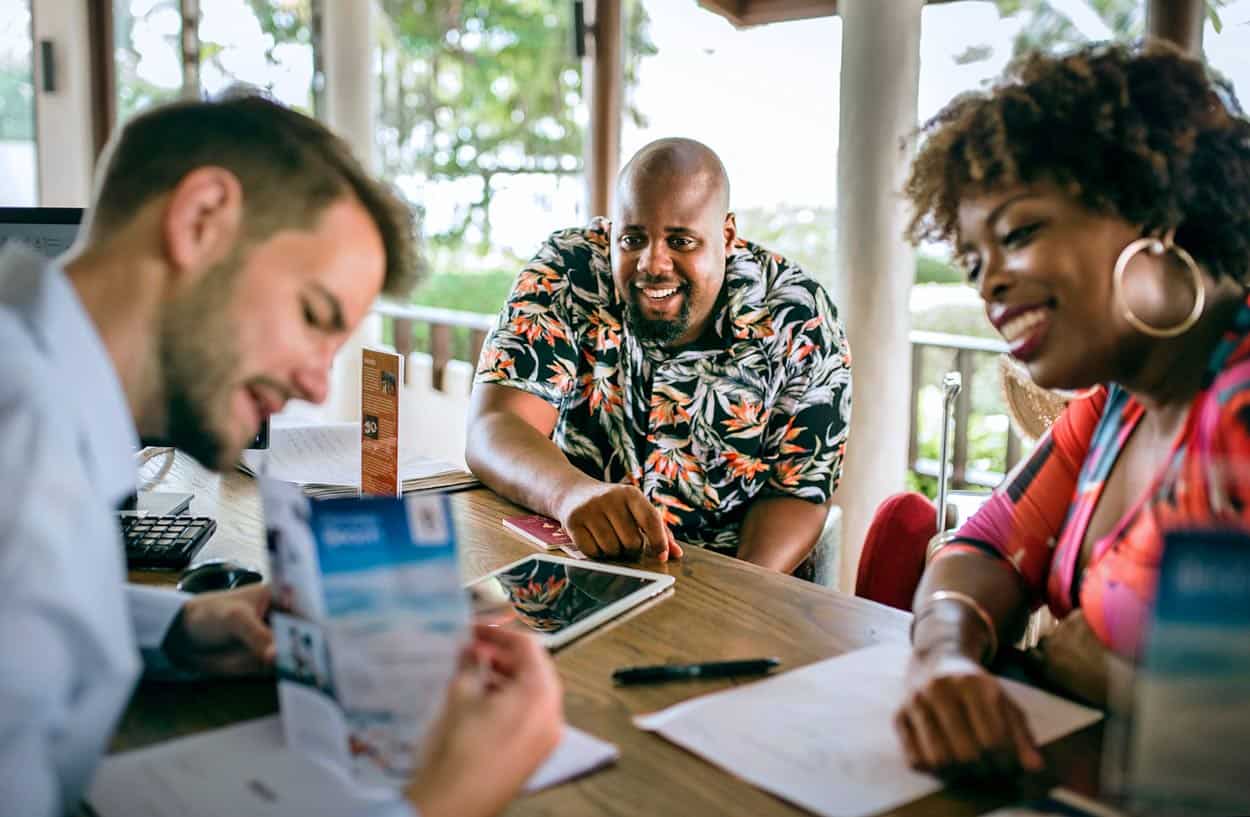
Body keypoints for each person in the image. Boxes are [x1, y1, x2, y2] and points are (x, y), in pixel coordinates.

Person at [0, 93, 562, 817]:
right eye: (315, 315)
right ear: (201, 219)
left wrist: (175, 629)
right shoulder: (23, 458)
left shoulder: (35, 403)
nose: (318, 380)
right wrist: (445, 799)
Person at [894, 41, 1250, 777]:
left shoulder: (1237, 411)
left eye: (1019, 234)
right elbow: (980, 550)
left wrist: (1096, 666)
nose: (988, 285)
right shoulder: (1115, 406)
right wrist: (946, 657)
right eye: (972, 261)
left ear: (1155, 204)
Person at [467, 138, 851, 575]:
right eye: (632, 239)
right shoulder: (567, 271)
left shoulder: (799, 317)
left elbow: (797, 490)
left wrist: (738, 593)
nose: (652, 263)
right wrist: (571, 494)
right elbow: (496, 424)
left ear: (726, 236)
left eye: (681, 241)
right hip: (572, 559)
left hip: (725, 574)